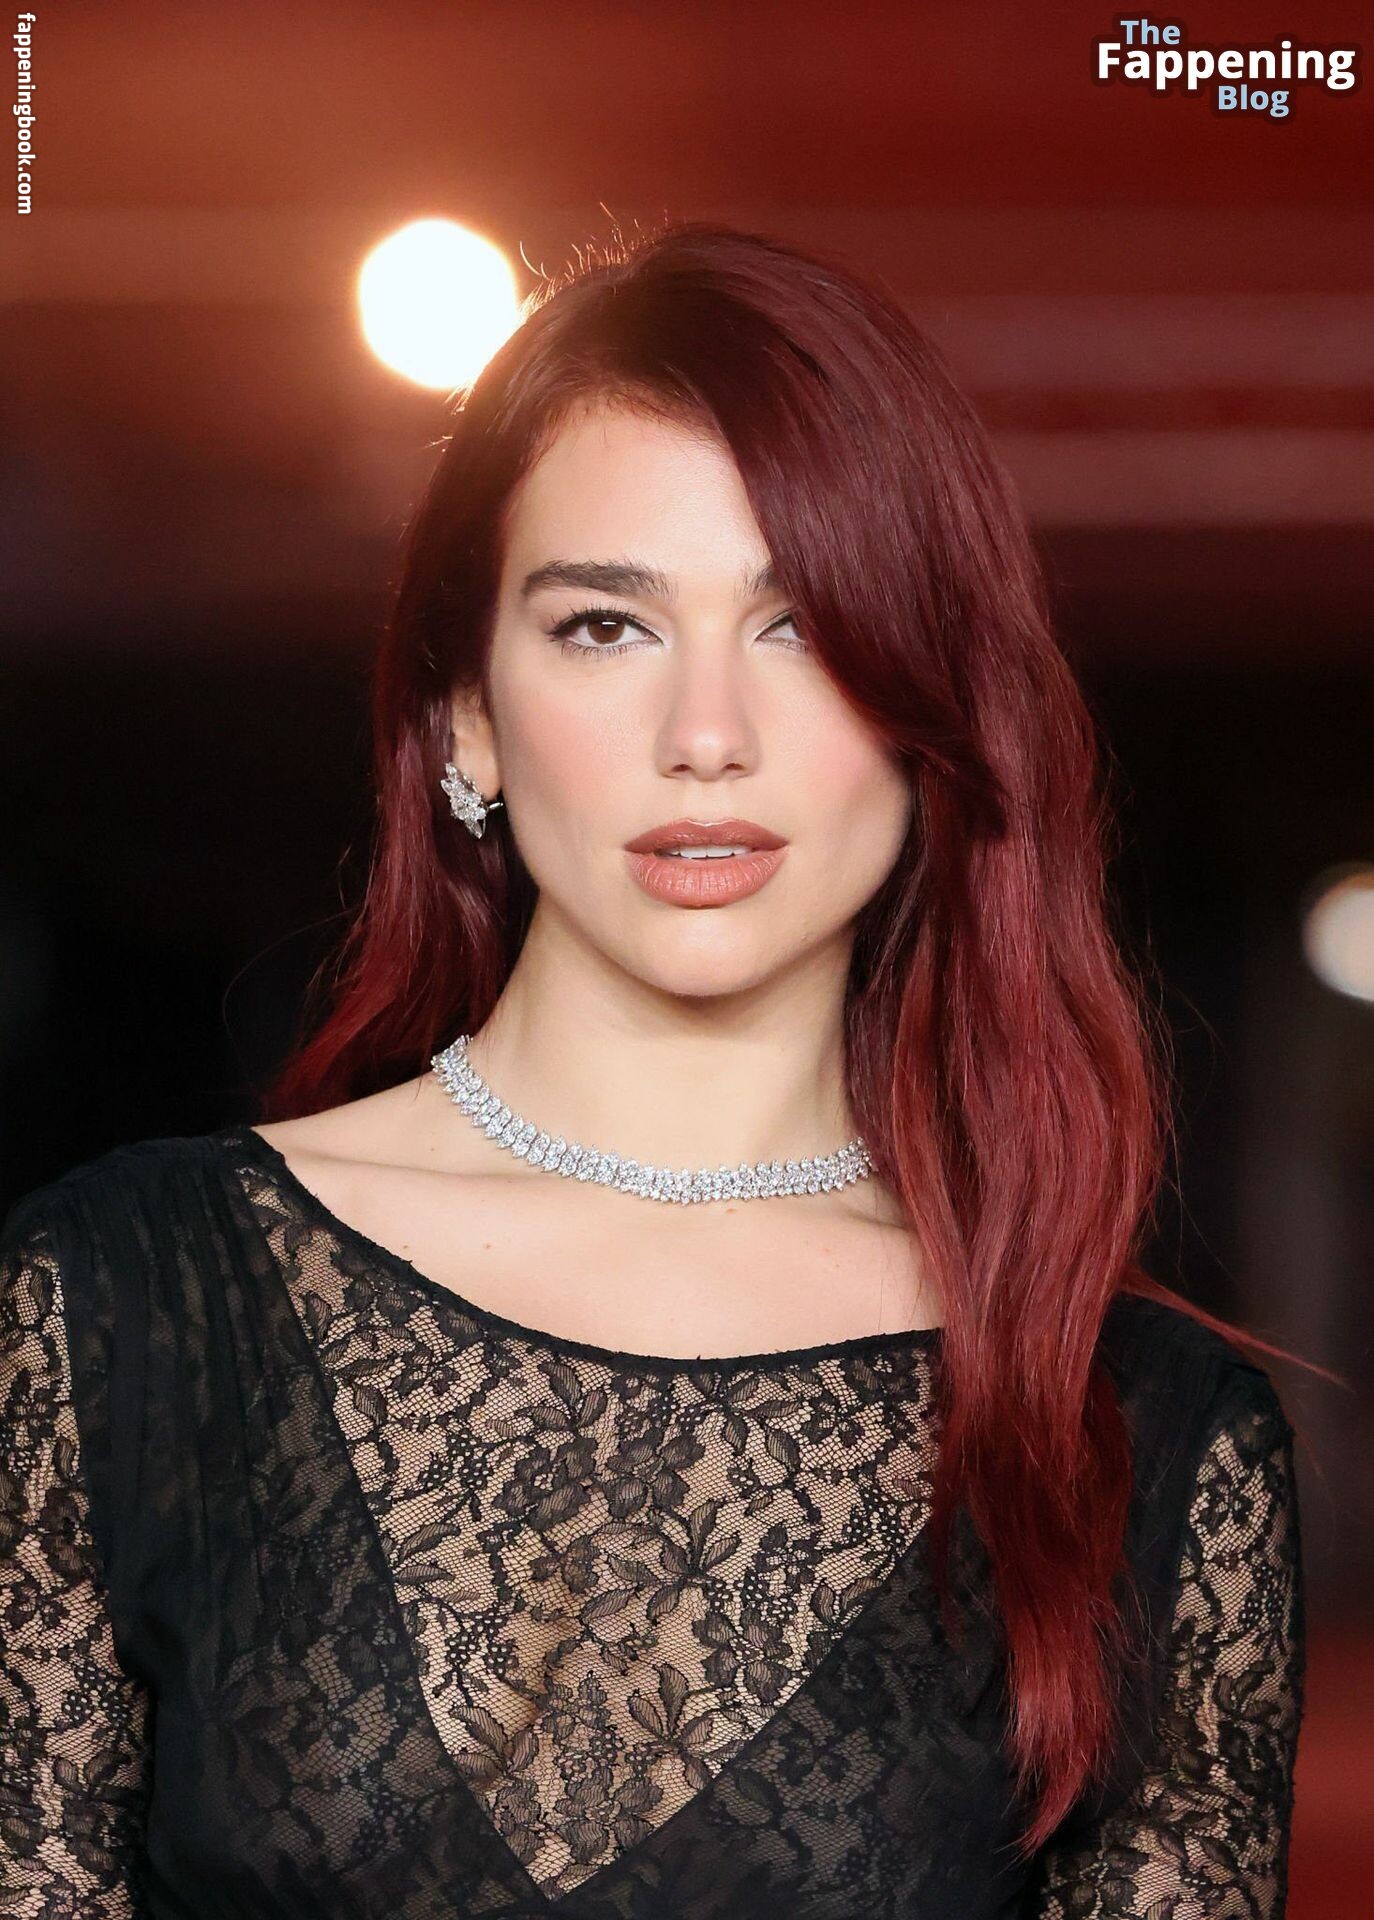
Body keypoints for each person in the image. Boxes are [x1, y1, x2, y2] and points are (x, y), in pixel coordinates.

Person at [0, 221, 1306, 1918]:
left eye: (802, 626)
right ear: (466, 712)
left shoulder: (1136, 1439)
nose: (707, 735)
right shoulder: (116, 1305)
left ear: (930, 717)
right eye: (606, 625)